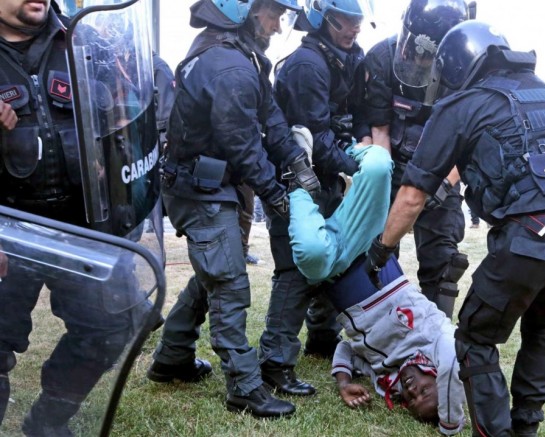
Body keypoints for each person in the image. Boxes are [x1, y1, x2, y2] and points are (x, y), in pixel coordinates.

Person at [364, 21, 545, 437]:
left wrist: (381, 249)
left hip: (536, 231)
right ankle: (526, 428)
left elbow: (412, 196)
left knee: (474, 338)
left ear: (454, 68)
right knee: (543, 323)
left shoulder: (464, 104)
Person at [146, 0, 319, 418]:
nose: (278, 25)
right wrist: (276, 195)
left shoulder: (239, 56)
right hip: (199, 189)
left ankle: (172, 357)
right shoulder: (231, 66)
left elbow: (271, 120)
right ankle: (244, 386)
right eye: (274, 14)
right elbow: (243, 144)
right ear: (246, 9)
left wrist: (297, 161)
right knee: (228, 283)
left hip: (206, 184)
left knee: (214, 271)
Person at [0, 0, 153, 434]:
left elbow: (125, 120)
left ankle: (47, 424)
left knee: (112, 326)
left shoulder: (85, 41)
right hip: (7, 228)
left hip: (81, 225)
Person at [286, 143, 466, 435]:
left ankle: (298, 177)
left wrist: (344, 382)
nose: (413, 391)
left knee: (310, 254)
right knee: (379, 164)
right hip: (367, 241)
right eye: (425, 391)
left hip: (330, 269)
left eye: (411, 401)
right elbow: (453, 366)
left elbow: (347, 348)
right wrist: (450, 425)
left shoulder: (385, 374)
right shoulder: (437, 339)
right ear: (438, 378)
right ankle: (335, 144)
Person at [258, 0, 372, 376]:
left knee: (332, 256)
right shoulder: (307, 65)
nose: (355, 27)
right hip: (295, 178)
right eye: (347, 20)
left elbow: (358, 114)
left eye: (358, 19)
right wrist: (361, 167)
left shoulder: (347, 58)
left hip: (326, 175)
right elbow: (316, 137)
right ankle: (275, 361)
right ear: (325, 18)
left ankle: (323, 338)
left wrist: (363, 144)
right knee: (295, 268)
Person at [358, 0, 472, 319]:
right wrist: (383, 187)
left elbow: (469, 138)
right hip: (394, 163)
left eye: (428, 55)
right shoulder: (381, 58)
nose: (420, 60)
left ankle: (436, 333)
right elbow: (380, 130)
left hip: (443, 171)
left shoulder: (467, 71)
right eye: (416, 52)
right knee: (376, 250)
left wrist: (444, 186)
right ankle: (377, 327)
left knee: (443, 260)